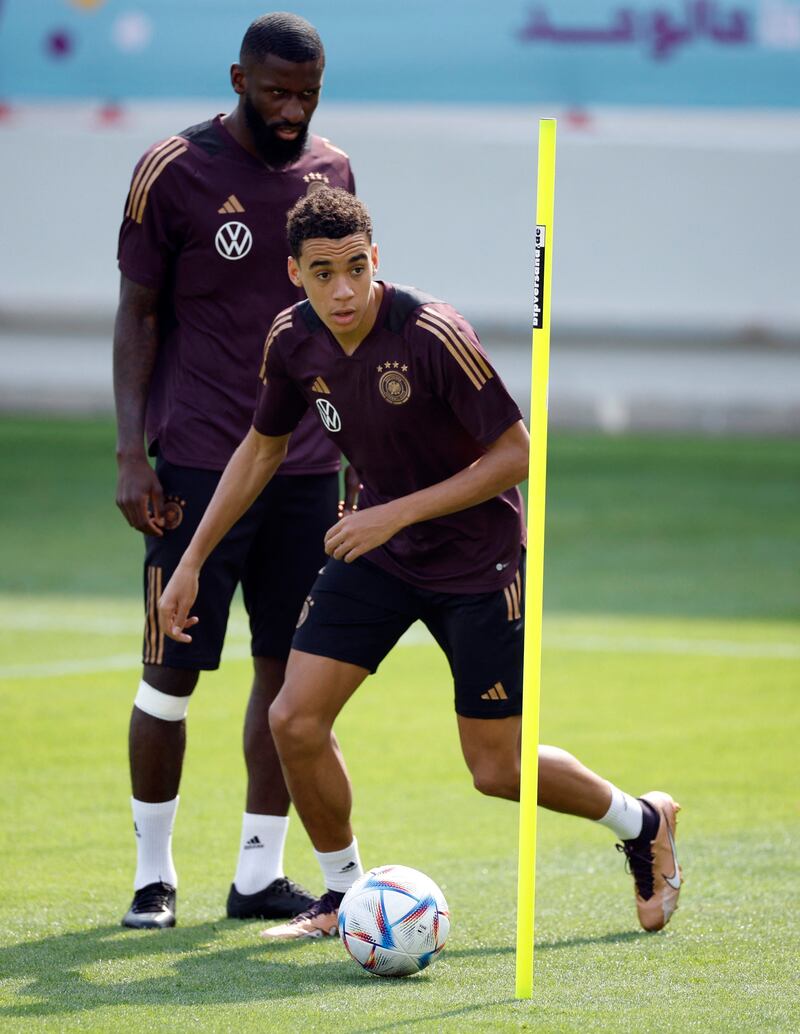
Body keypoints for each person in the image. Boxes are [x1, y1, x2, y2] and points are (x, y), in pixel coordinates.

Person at [158, 188, 684, 940]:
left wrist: (391, 512)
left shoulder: (434, 334)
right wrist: (191, 562)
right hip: (380, 553)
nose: (341, 289)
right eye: (321, 273)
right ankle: (343, 893)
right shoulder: (292, 340)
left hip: (479, 561)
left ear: (377, 260)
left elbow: (518, 455)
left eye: (355, 268)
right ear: (294, 273)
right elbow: (261, 448)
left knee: (495, 771)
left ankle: (641, 820)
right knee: (294, 719)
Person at [113, 13, 357, 930]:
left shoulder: (332, 172)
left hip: (306, 471)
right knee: (167, 673)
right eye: (275, 92)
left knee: (286, 679)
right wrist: (131, 452)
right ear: (238, 79)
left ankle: (259, 874)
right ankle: (151, 877)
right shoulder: (172, 171)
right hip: (196, 468)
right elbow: (137, 315)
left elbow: (346, 315)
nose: (291, 110)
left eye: (308, 93)